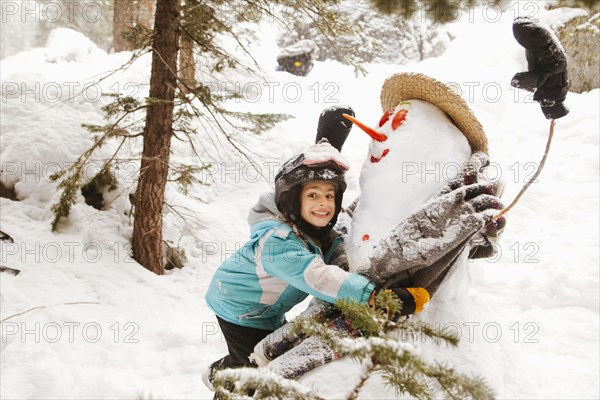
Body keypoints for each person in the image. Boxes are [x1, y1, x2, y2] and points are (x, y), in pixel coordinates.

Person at [203, 140, 430, 391]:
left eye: (329, 195)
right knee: (255, 368)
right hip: (239, 310)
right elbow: (319, 277)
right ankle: (227, 385)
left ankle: (224, 369)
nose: (323, 203)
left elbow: (334, 242)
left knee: (264, 352)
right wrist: (376, 298)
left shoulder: (307, 227)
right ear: (292, 200)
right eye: (313, 195)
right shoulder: (279, 244)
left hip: (262, 306)